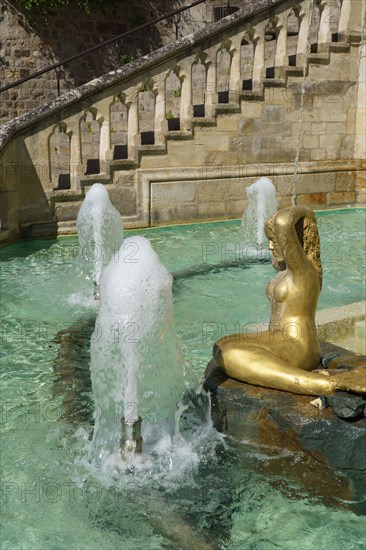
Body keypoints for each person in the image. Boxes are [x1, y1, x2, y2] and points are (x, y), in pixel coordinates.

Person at [213, 206, 365, 396]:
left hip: (298, 345)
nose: (270, 246)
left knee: (230, 354)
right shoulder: (285, 273)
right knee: (223, 344)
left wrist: (306, 212)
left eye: (275, 241)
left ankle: (323, 384)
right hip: (277, 338)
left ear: (293, 240)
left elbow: (283, 222)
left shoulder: (304, 273)